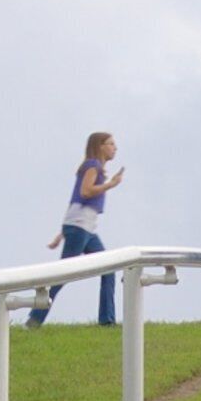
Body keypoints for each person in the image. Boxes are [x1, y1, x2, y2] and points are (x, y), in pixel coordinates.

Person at [24, 131, 127, 327]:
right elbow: (85, 192)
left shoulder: (95, 168)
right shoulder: (93, 166)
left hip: (84, 229)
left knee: (109, 269)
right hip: (80, 229)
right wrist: (111, 184)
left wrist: (61, 234)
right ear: (100, 146)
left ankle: (107, 321)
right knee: (63, 275)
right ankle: (35, 318)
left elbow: (75, 204)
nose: (115, 148)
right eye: (111, 144)